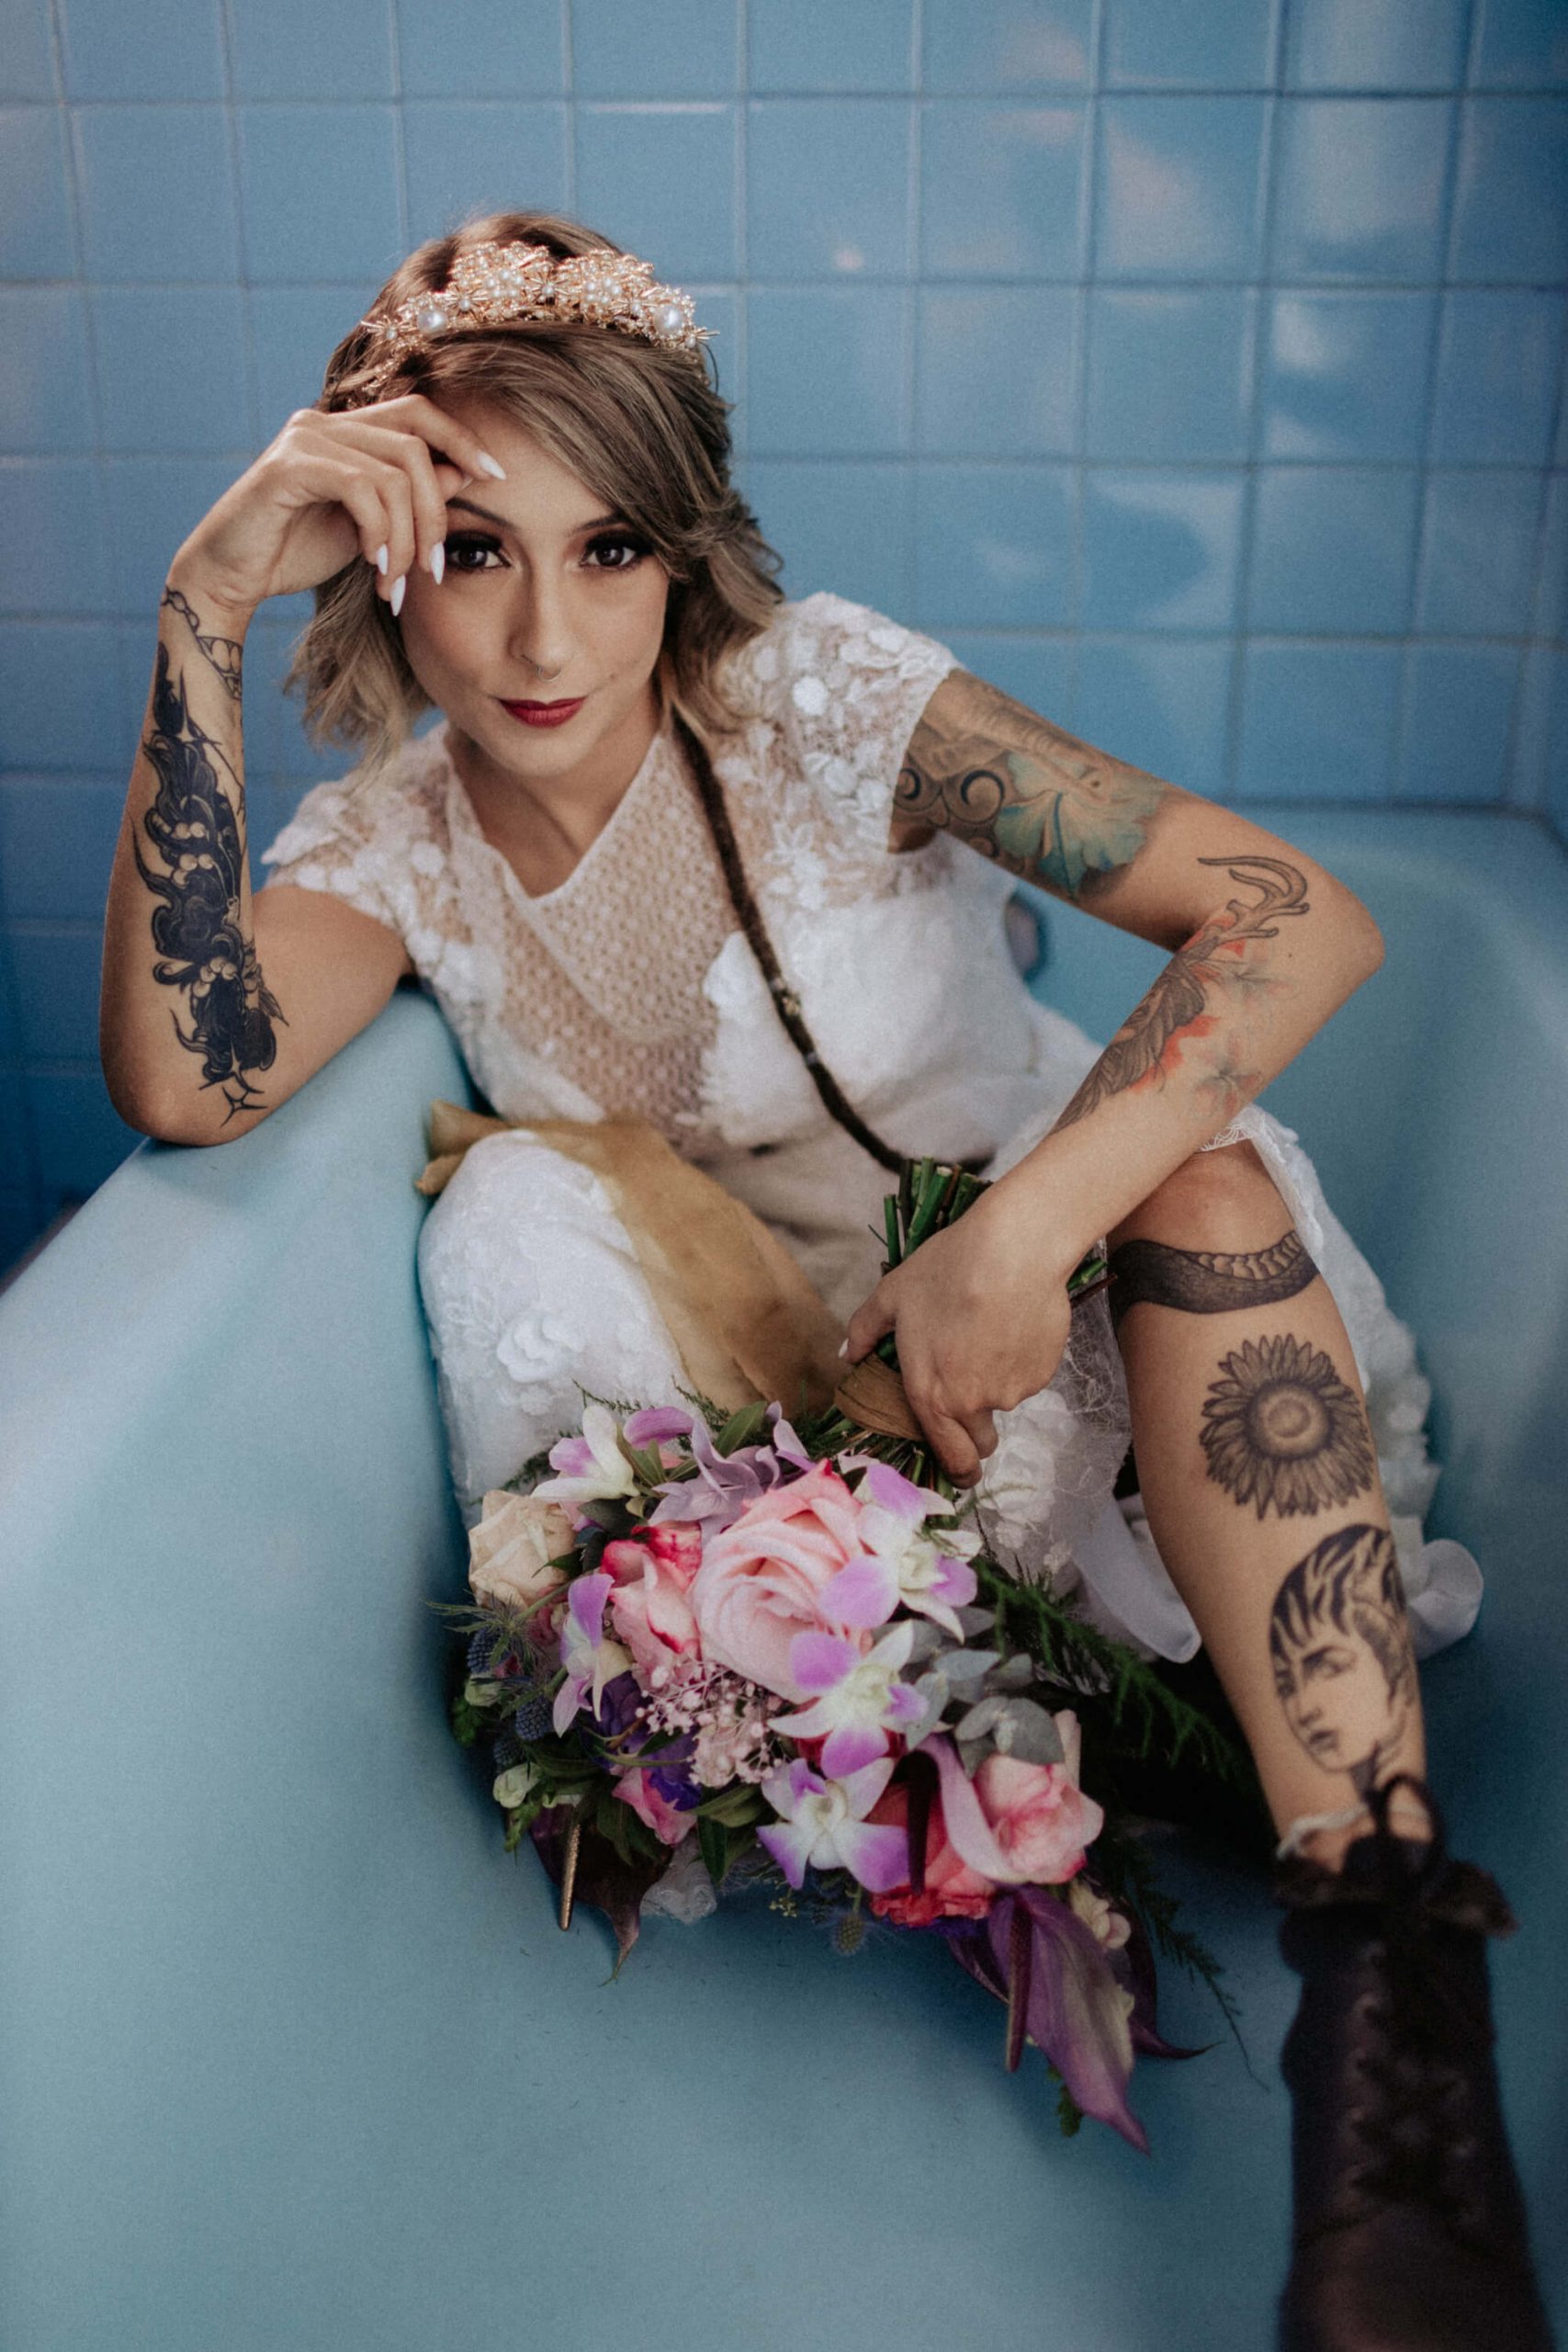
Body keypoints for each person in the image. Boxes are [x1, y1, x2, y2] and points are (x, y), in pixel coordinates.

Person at [97, 210, 1551, 2351]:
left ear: (680, 548)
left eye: (608, 547)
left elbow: (1290, 915)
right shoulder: (395, 849)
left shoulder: (822, 699)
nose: (542, 631)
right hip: (806, 1443)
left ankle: (1392, 2047)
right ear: (379, 553)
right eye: (472, 548)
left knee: (1205, 1182)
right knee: (514, 1224)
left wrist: (1020, 1231)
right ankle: (984, 1742)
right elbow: (182, 1074)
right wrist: (201, 601)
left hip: (1095, 1319)